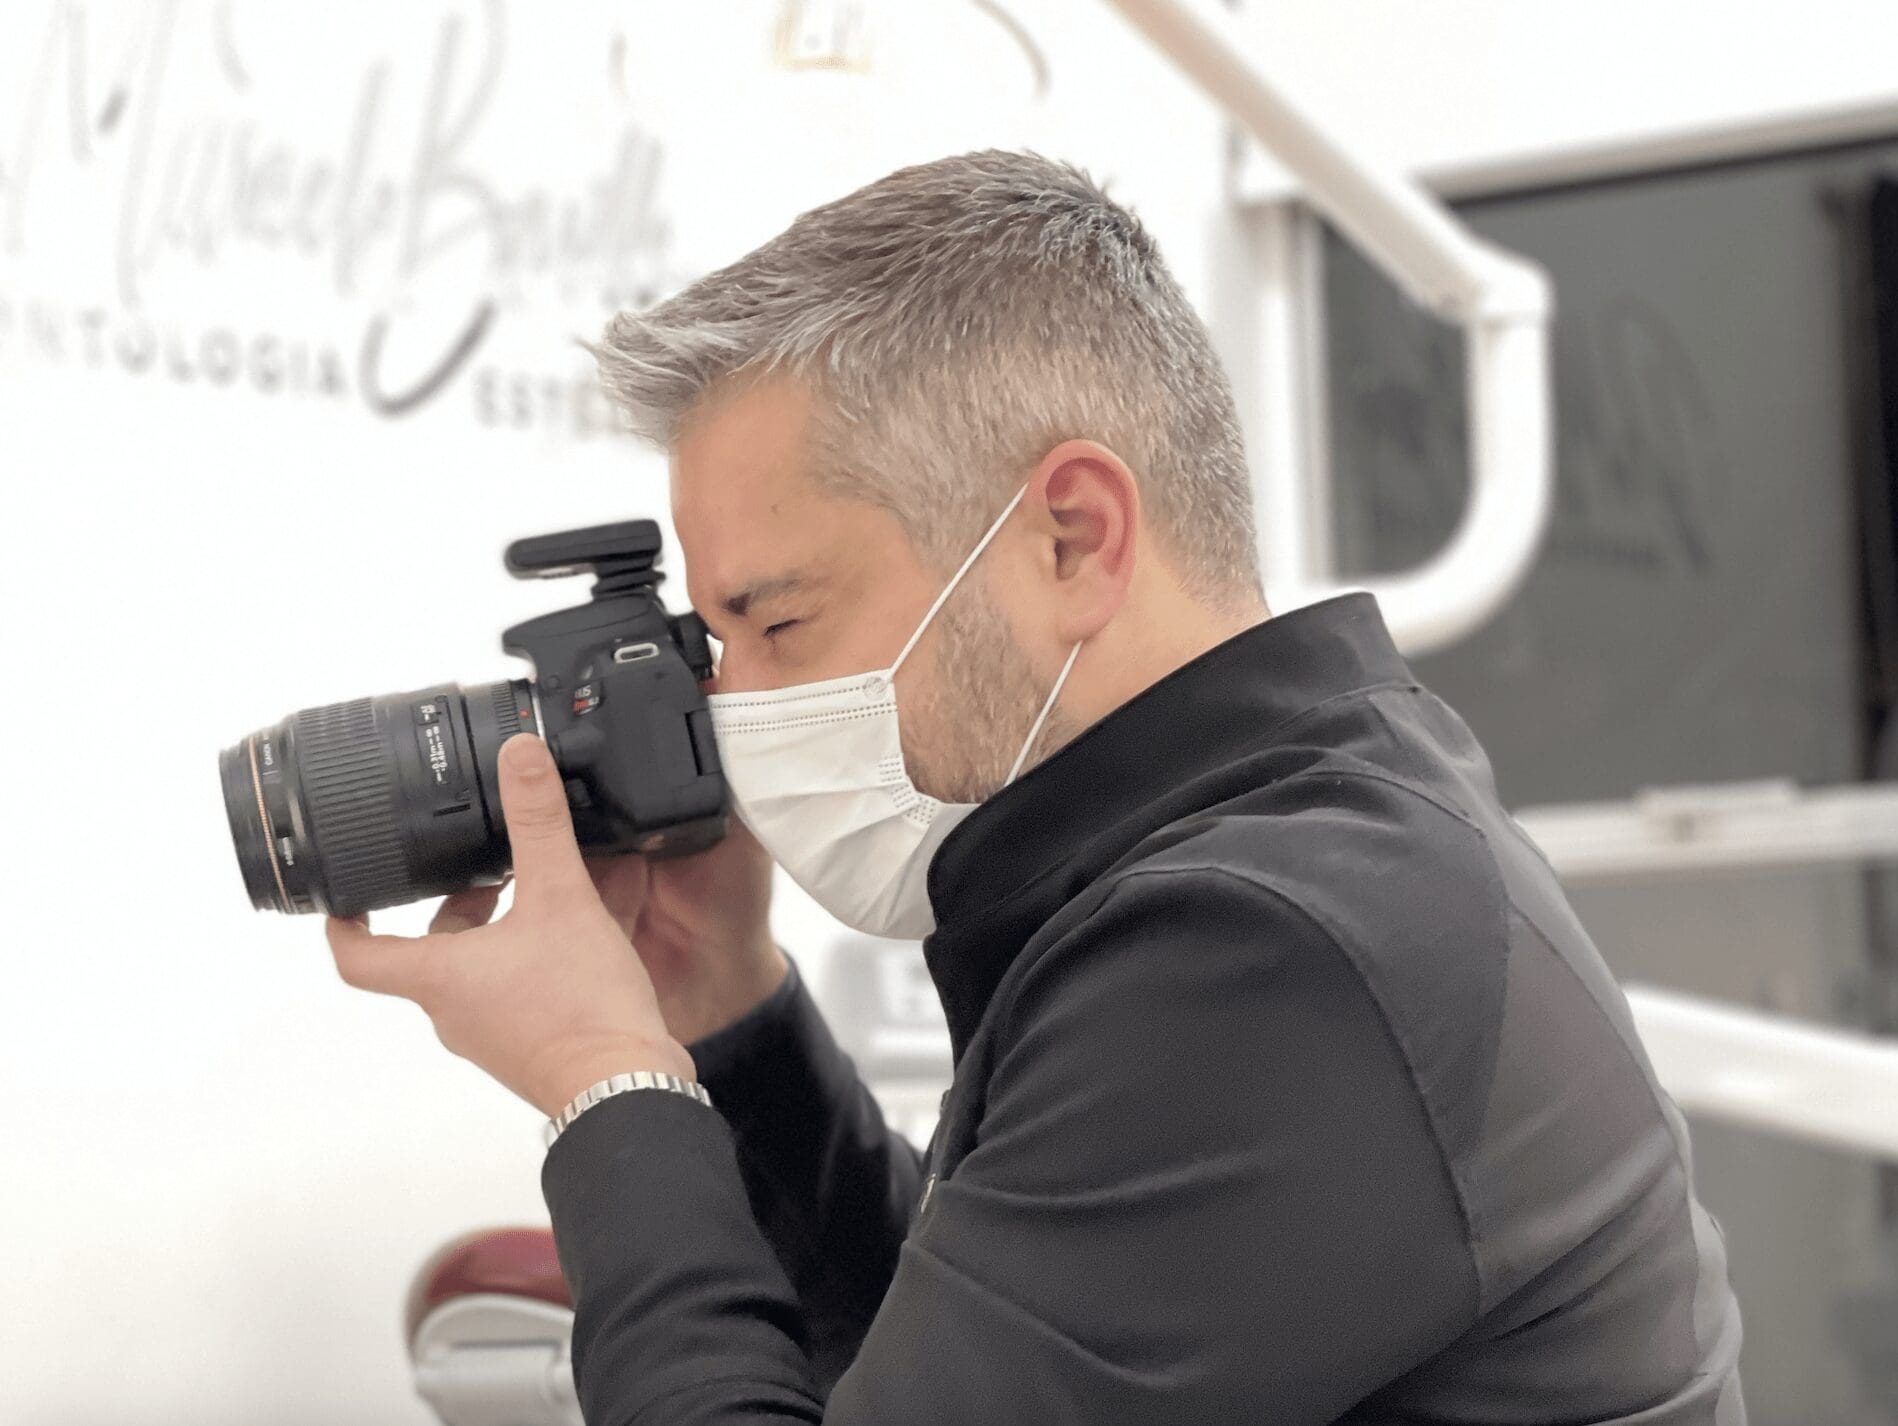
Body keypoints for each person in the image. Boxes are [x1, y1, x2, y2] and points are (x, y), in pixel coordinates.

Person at [326, 148, 1747, 1423]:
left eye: (778, 622)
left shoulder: (1268, 948)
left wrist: (604, 1081)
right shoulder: (1278, 841)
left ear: (1070, 536)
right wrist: (725, 1013)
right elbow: (957, 1348)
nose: (735, 705)